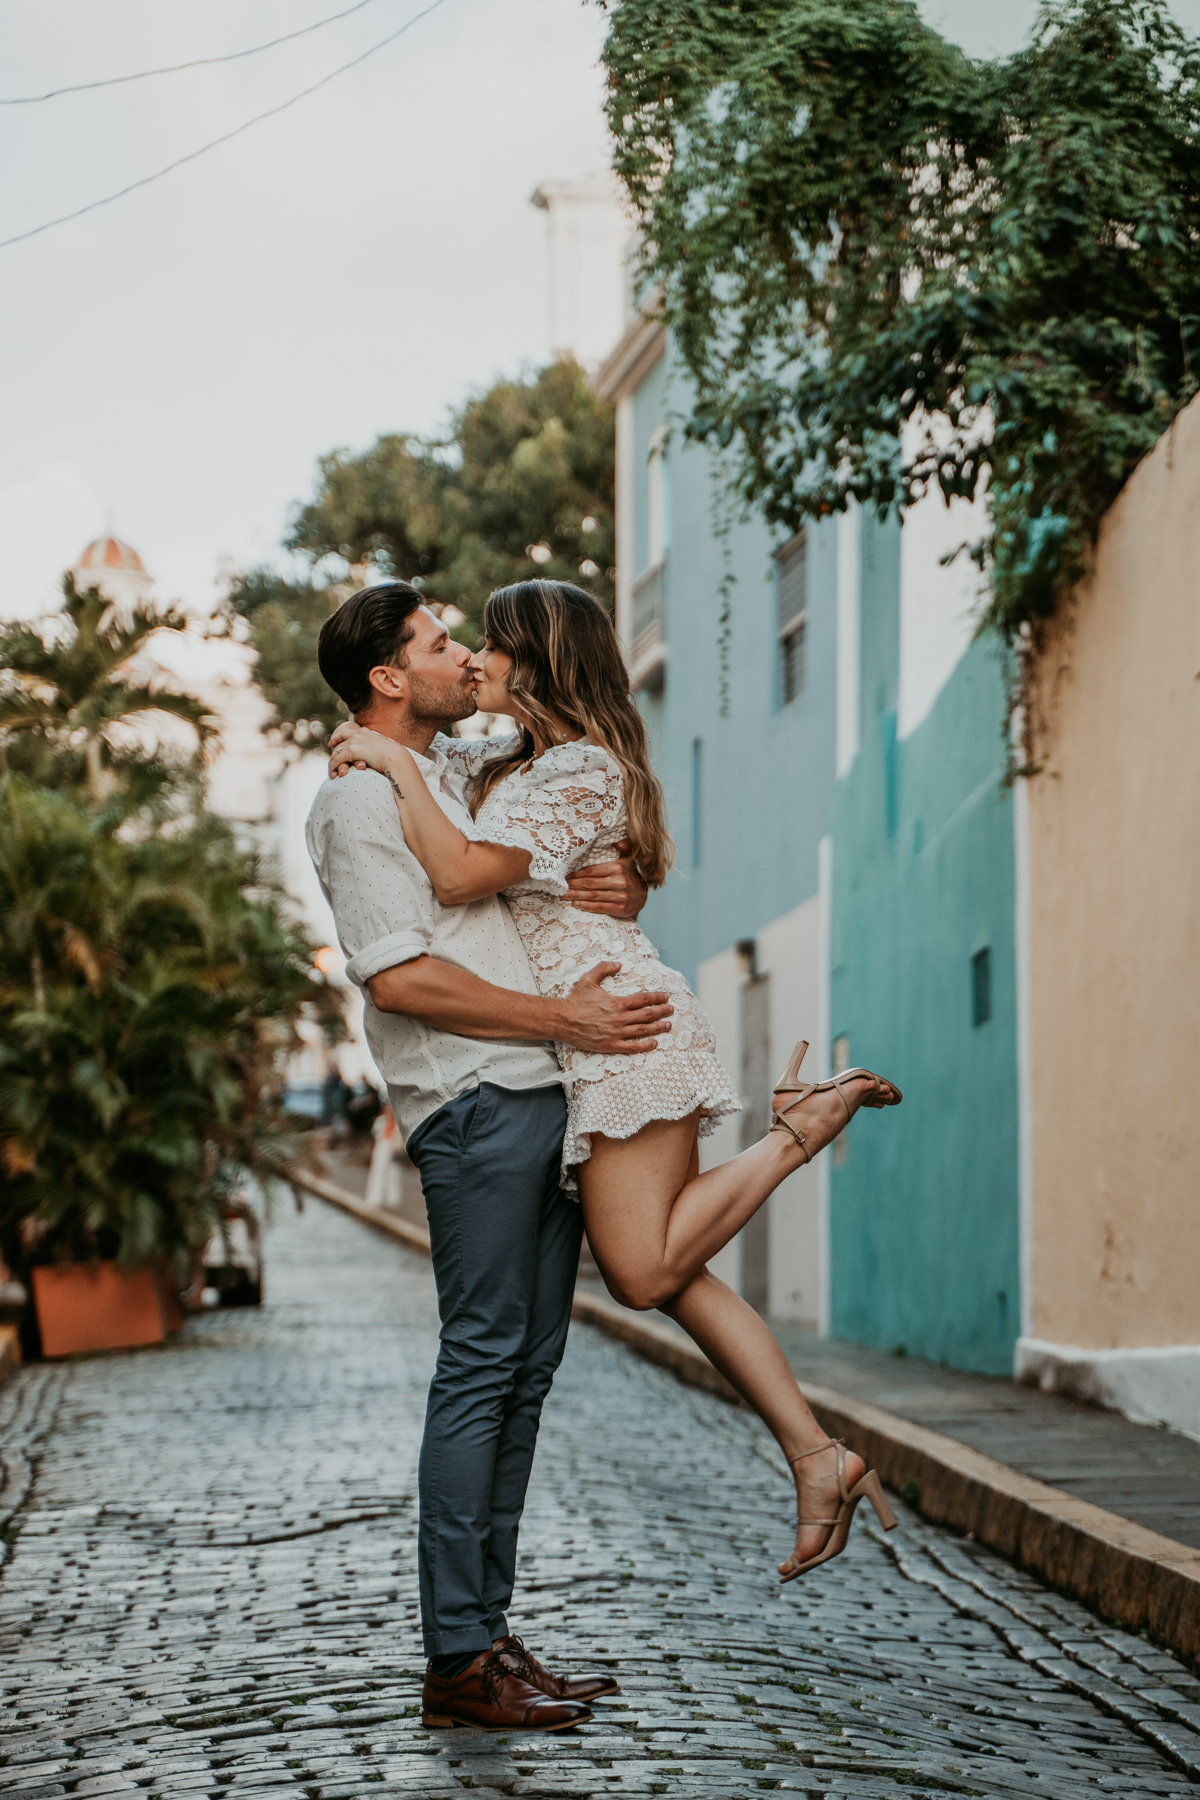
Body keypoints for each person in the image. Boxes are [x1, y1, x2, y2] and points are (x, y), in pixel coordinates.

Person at [328, 579, 902, 1588]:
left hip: (622, 1026)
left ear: (536, 666)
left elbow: (464, 873)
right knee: (669, 1276)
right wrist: (385, 752)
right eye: (454, 645)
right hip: (579, 1043)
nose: (471, 659)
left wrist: (385, 758)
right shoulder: (491, 759)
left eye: (487, 647)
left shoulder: (577, 768)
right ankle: (819, 1457)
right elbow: (443, 787)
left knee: (639, 1273)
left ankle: (801, 1132)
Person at [307, 581, 668, 1733]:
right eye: (439, 643)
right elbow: (401, 976)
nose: (466, 656)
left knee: (525, 1371)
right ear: (386, 678)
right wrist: (562, 1019)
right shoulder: (360, 805)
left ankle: (489, 1638)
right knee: (482, 1367)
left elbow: (549, 835)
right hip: (473, 1104)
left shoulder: (452, 774)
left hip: (539, 1097)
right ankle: (458, 1661)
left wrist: (626, 876)